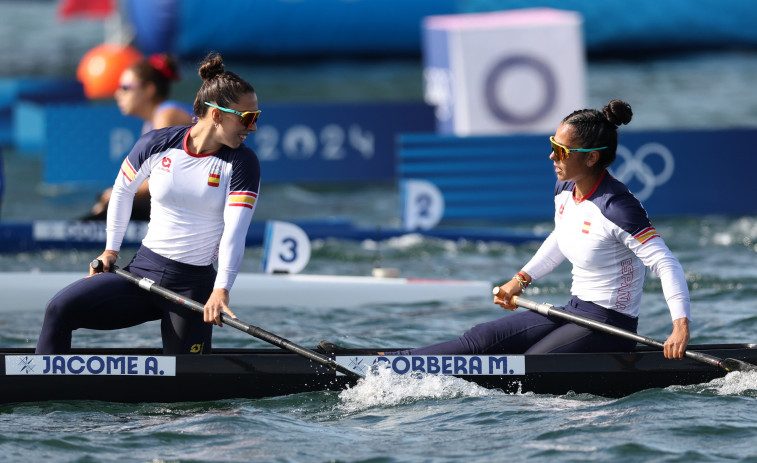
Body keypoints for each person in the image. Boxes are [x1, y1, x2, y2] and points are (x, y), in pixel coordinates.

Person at [350, 99, 690, 360]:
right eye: (552, 145)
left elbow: (666, 263)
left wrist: (679, 327)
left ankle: (397, 365)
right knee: (480, 339)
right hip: (575, 310)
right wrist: (520, 280)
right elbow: (562, 237)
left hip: (610, 326)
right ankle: (393, 361)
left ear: (590, 158)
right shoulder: (565, 190)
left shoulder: (618, 207)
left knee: (530, 365)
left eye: (561, 150)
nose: (551, 156)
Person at [36, 52, 262, 355]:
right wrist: (110, 251)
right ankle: (48, 391)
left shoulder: (242, 162)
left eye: (255, 117)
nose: (253, 127)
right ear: (217, 115)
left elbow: (235, 232)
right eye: (247, 118)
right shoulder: (158, 143)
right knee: (58, 309)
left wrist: (221, 290)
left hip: (192, 288)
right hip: (141, 274)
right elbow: (121, 192)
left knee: (188, 396)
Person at [85, 53, 195, 221]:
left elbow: (164, 179)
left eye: (125, 88)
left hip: (198, 202)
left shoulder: (167, 115)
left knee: (112, 206)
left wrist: (118, 193)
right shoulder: (150, 125)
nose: (117, 94)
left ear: (149, 89)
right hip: (185, 200)